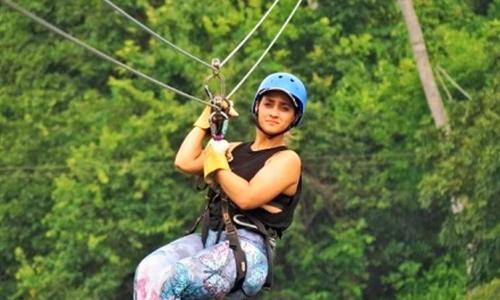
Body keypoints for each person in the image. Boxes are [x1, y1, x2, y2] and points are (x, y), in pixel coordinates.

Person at [134, 72, 307, 300]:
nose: (274, 112)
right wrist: (208, 117)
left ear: (294, 118)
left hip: (248, 253)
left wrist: (217, 162)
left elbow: (246, 197)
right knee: (148, 272)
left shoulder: (287, 160)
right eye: (269, 104)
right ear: (257, 107)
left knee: (178, 279)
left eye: (284, 108)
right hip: (210, 239)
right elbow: (184, 161)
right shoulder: (233, 149)